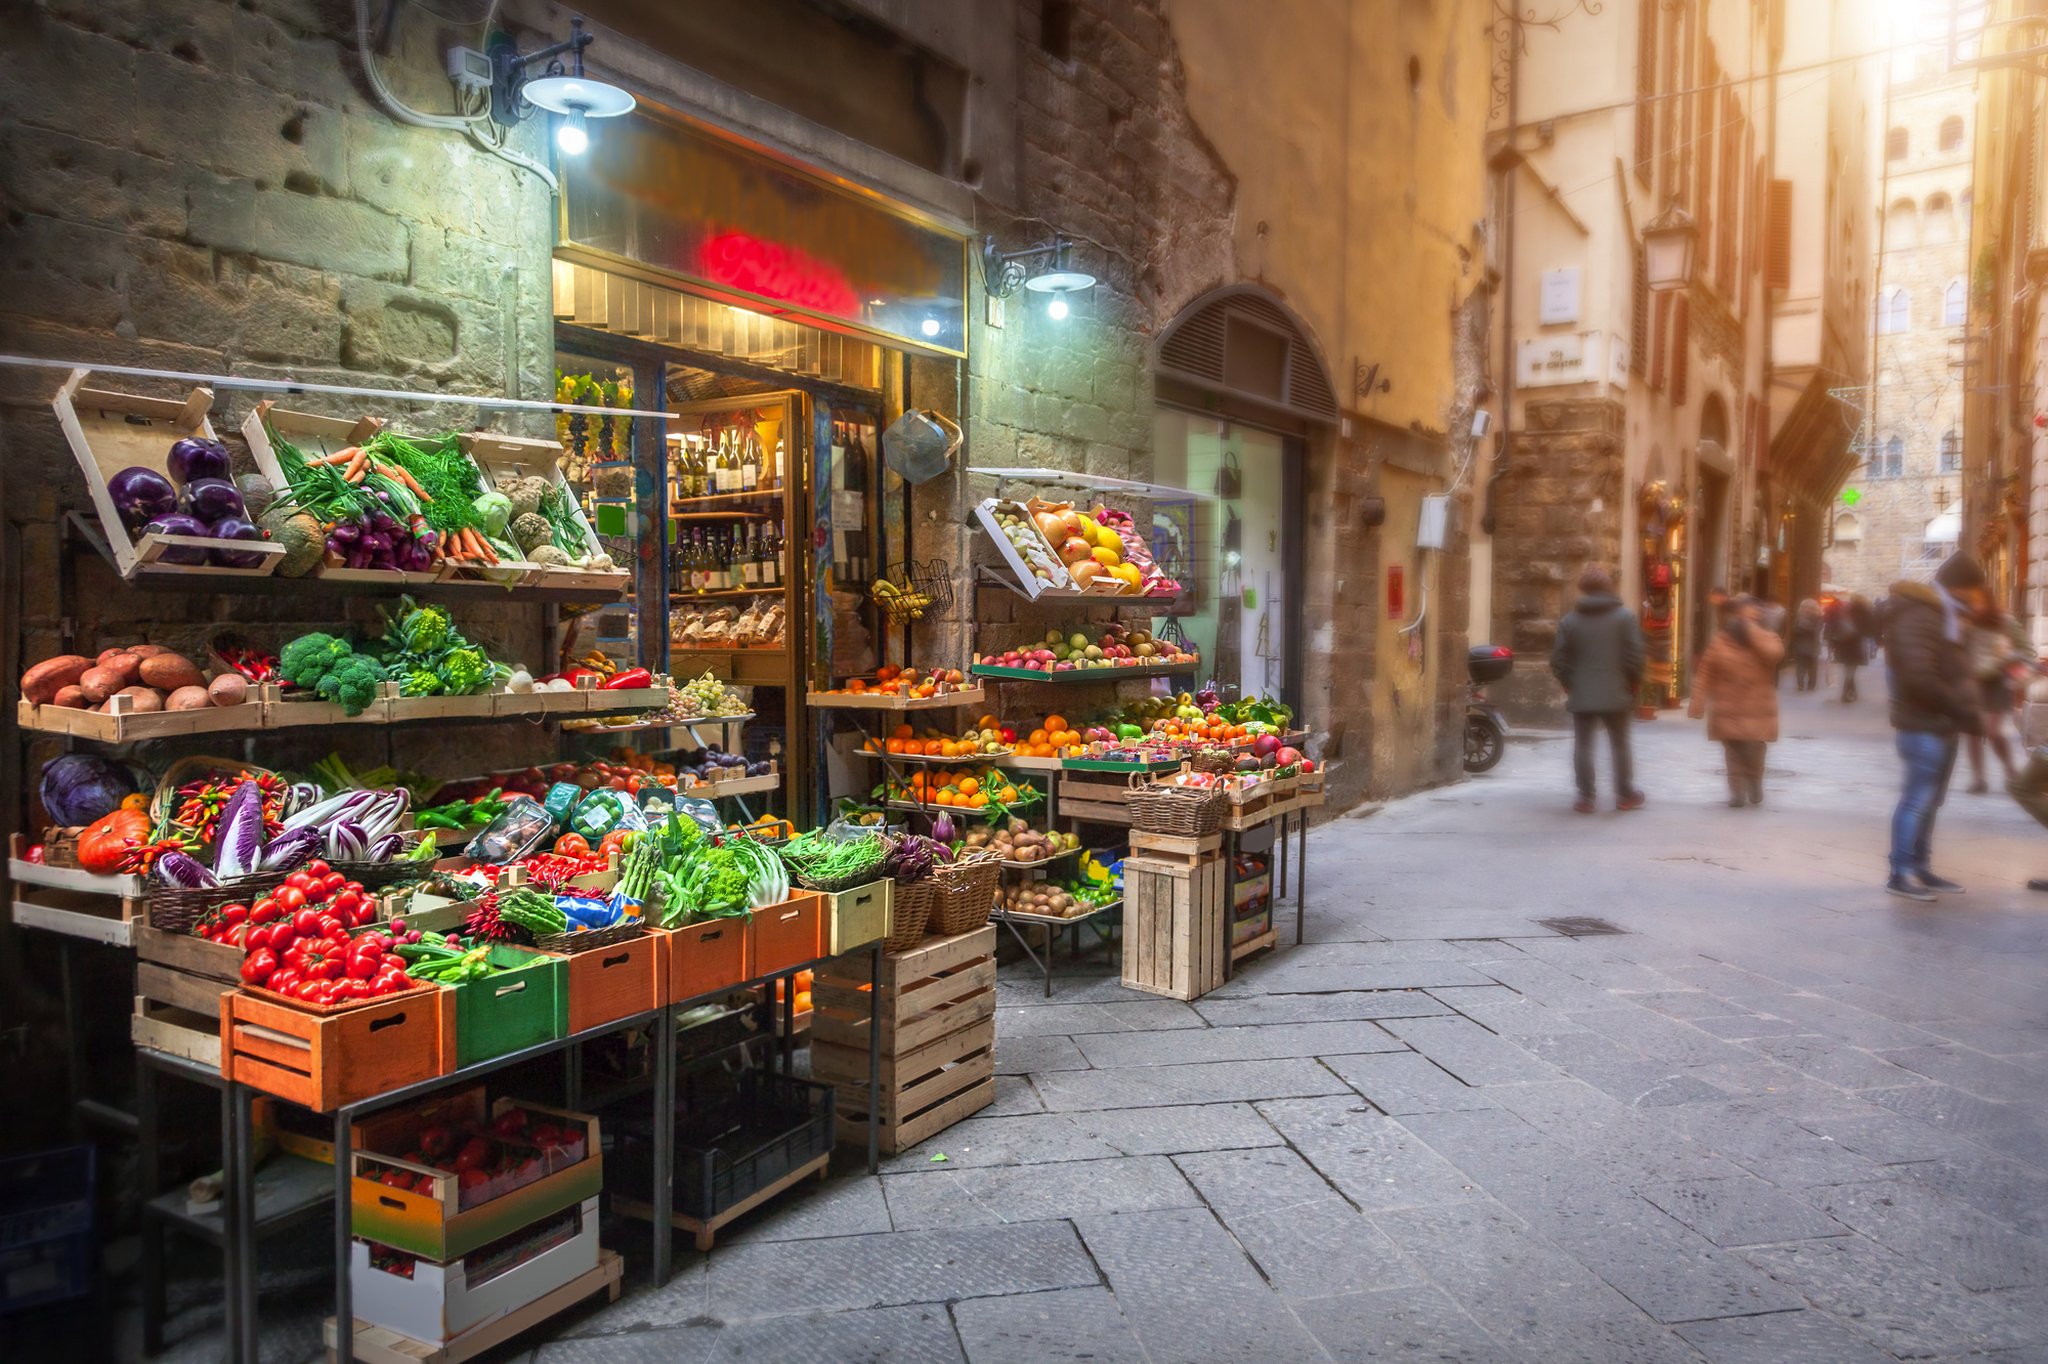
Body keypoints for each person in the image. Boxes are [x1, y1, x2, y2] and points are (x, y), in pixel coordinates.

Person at [1881, 553, 1986, 900]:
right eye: (1974, 590)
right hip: (1923, 723)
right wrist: (1957, 706)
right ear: (1961, 587)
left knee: (1930, 801)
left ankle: (1920, 867)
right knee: (1917, 799)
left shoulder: (1945, 614)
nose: (1977, 598)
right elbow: (1919, 675)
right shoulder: (1920, 614)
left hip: (1941, 722)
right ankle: (1900, 871)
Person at [1551, 566, 1647, 813]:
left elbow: (1558, 660)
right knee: (1620, 743)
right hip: (1617, 691)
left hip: (1582, 692)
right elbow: (1635, 656)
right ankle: (1625, 795)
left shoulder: (1569, 621)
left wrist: (1569, 683)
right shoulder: (1625, 617)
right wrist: (1632, 683)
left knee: (1583, 744)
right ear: (1608, 588)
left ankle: (1586, 798)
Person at [1688, 595, 1785, 806]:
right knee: (1732, 750)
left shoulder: (1769, 637)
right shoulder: (1721, 640)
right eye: (1741, 616)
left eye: (1750, 615)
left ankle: (1754, 781)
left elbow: (1774, 654)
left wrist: (1751, 631)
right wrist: (1697, 702)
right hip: (1727, 708)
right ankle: (1737, 793)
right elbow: (1706, 670)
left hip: (1756, 708)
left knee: (1754, 750)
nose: (1744, 619)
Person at [1964, 603, 2035, 792]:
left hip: (1997, 682)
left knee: (1993, 730)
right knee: (1972, 731)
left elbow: (2028, 651)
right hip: (1972, 681)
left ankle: (2011, 771)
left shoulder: (2005, 622)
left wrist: (2006, 657)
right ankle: (1978, 779)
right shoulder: (1964, 622)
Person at [1829, 593, 1873, 702]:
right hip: (1856, 643)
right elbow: (1870, 628)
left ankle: (1852, 692)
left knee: (1848, 669)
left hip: (1844, 643)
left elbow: (1834, 626)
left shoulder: (1844, 609)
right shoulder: (1865, 611)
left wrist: (1833, 644)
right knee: (1851, 670)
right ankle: (1846, 693)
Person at [1790, 598, 1824, 692]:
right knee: (1801, 667)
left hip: (1812, 646)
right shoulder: (1799, 618)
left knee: (1812, 668)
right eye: (1805, 608)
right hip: (1801, 646)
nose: (1807, 610)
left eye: (1809, 608)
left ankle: (1811, 685)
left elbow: (1816, 631)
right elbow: (1795, 630)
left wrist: (1803, 627)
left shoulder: (1818, 618)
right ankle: (1800, 684)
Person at [1756, 595, 1789, 688]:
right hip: (1775, 637)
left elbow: (1760, 624)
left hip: (1765, 637)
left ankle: (1768, 681)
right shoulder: (1783, 611)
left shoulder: (1762, 611)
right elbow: (1784, 627)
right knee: (1774, 660)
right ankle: (1774, 682)